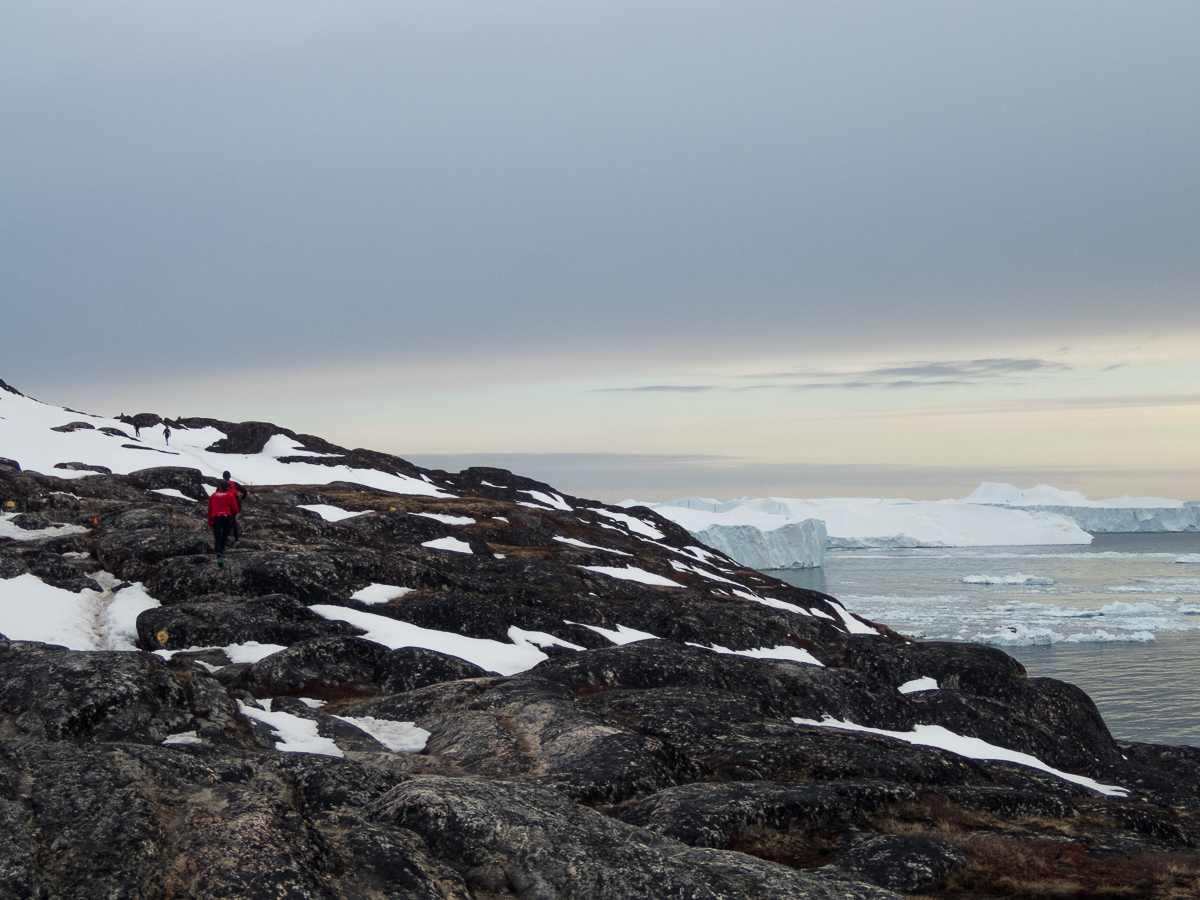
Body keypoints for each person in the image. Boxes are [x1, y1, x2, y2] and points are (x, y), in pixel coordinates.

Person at [206, 479, 240, 568]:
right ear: (227, 487)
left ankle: (218, 556)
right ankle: (221, 551)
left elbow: (209, 510)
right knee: (225, 535)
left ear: (219, 487)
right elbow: (236, 509)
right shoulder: (230, 495)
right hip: (227, 517)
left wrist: (210, 524)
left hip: (216, 517)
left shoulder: (213, 496)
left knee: (217, 537)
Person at [222, 470, 249, 548]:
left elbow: (218, 493)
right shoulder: (234, 484)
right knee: (232, 520)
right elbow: (244, 491)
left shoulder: (221, 485)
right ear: (229, 476)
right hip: (236, 503)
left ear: (223, 477)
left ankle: (234, 540)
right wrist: (241, 498)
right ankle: (233, 539)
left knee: (231, 520)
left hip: (227, 504)